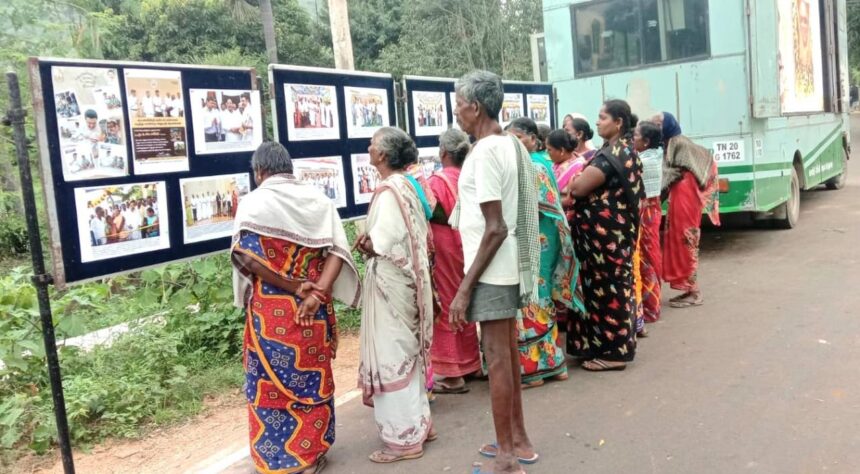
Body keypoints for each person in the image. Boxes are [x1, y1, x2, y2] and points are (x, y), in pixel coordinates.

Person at [231, 142, 360, 474]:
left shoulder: (253, 204)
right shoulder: (319, 201)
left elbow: (246, 258)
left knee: (268, 384)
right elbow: (337, 252)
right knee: (312, 377)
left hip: (269, 313)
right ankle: (311, 453)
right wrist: (316, 295)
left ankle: (275, 457)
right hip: (312, 311)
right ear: (289, 168)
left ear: (259, 172)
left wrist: (291, 287)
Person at [448, 70, 540, 473]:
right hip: (503, 268)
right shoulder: (507, 144)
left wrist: (464, 289)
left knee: (498, 360)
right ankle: (518, 440)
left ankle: (506, 456)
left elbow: (495, 228)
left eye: (458, 105)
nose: (456, 112)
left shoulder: (486, 152)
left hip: (490, 270)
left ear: (475, 107)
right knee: (507, 356)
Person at [354, 127, 435, 464]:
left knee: (393, 355)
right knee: (409, 352)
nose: (369, 148)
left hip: (391, 285)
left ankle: (404, 439)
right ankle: (420, 423)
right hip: (410, 282)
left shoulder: (389, 191)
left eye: (373, 144)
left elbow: (382, 242)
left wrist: (365, 243)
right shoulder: (408, 184)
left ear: (383, 155)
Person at [568, 99, 645, 371]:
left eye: (602, 117)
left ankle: (613, 354)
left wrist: (575, 182)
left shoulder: (615, 154)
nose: (598, 122)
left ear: (618, 122)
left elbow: (577, 188)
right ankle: (598, 346)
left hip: (608, 241)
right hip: (604, 240)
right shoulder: (618, 150)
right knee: (601, 290)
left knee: (610, 291)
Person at [506, 117, 577, 388]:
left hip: (537, 240)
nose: (513, 143)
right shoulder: (541, 162)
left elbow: (532, 206)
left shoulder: (532, 166)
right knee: (540, 297)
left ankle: (535, 369)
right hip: (542, 238)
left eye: (518, 138)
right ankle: (554, 362)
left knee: (530, 299)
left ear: (533, 139)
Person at [427, 129, 480, 394]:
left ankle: (452, 373)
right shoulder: (469, 176)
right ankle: (471, 363)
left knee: (447, 302)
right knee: (465, 300)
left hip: (446, 246)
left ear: (443, 152)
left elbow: (428, 210)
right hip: (468, 243)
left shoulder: (437, 181)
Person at [653, 112, 720, 308]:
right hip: (682, 195)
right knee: (677, 239)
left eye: (658, 124)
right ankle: (688, 288)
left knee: (686, 240)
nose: (655, 127)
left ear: (667, 125)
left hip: (687, 196)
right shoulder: (671, 143)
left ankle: (694, 291)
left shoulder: (677, 143)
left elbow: (672, 173)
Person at [632, 121, 665, 324]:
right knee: (649, 253)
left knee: (646, 258)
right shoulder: (655, 154)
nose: (632, 138)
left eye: (636, 135)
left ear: (645, 141)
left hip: (646, 212)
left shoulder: (644, 161)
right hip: (652, 210)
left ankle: (651, 307)